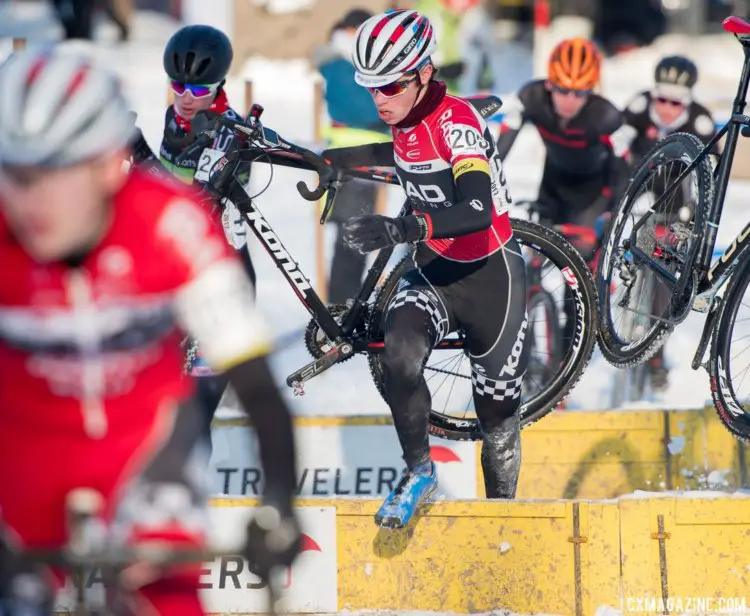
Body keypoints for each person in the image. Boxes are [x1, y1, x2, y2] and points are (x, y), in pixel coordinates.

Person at [0, 47, 300, 615]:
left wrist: (279, 501)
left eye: (53, 174)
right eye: (15, 174)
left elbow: (258, 385)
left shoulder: (170, 222)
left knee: (166, 595)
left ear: (104, 165)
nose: (29, 200)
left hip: (145, 438)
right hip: (25, 443)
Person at [323, 9, 529, 528]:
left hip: (491, 278)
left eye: (389, 86)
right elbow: (399, 154)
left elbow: (478, 209)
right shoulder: (406, 115)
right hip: (435, 274)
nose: (379, 99)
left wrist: (401, 231)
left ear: (423, 74)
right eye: (370, 88)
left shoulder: (457, 124)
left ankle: (502, 522)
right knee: (399, 355)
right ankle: (419, 472)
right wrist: (334, 158)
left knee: (497, 421)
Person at [132, 24, 257, 440]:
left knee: (196, 420)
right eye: (178, 85)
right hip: (179, 274)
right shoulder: (176, 119)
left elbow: (190, 207)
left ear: (220, 86)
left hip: (223, 282)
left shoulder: (228, 133)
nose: (186, 97)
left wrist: (137, 153)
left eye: (200, 90)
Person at [619, 55, 719, 392]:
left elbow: (713, 176)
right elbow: (617, 148)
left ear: (687, 101)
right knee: (623, 251)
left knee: (663, 273)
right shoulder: (638, 105)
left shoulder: (700, 121)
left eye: (675, 102)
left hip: (678, 209)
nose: (665, 108)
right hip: (637, 200)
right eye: (661, 99)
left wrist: (693, 213)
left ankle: (656, 353)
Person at [313, 8, 391, 305]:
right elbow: (362, 109)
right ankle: (341, 307)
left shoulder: (351, 63)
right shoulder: (340, 63)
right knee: (352, 239)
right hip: (349, 165)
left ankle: (350, 303)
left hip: (366, 161)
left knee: (360, 236)